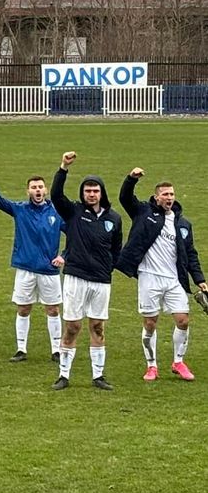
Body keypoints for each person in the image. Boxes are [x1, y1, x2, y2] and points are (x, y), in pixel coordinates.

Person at [116, 169, 207, 382]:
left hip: (174, 279)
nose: (169, 198)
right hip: (149, 277)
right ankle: (152, 366)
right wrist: (131, 179)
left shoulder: (183, 224)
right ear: (156, 197)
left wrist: (200, 279)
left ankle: (178, 362)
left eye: (171, 194)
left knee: (183, 320)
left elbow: (190, 253)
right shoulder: (143, 212)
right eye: (165, 194)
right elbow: (125, 198)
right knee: (150, 323)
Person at [49, 151, 122, 391]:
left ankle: (98, 376)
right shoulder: (74, 212)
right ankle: (63, 375)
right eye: (87, 191)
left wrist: (107, 267)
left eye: (95, 191)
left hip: (101, 281)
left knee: (98, 326)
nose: (91, 194)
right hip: (75, 277)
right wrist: (63, 168)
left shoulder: (114, 218)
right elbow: (56, 195)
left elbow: (116, 248)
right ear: (82, 193)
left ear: (102, 193)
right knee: (72, 327)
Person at [0, 171, 64, 363]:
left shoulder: (56, 212)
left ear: (45, 190)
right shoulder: (20, 209)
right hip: (25, 269)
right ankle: (21, 349)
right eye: (34, 187)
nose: (38, 190)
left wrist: (64, 255)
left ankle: (56, 350)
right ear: (28, 191)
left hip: (49, 270)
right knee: (23, 308)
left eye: (40, 187)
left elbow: (75, 235)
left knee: (53, 310)